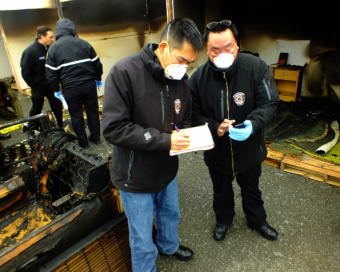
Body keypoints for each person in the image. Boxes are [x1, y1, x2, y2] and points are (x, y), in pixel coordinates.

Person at [102, 18, 202, 272]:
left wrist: (191, 134)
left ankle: (169, 246)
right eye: (181, 60)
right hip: (135, 175)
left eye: (190, 63)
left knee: (170, 215)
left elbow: (186, 117)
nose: (185, 68)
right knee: (142, 237)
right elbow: (114, 128)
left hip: (167, 169)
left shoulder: (180, 79)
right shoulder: (125, 72)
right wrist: (165, 140)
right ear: (164, 46)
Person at [189, 20, 280, 242]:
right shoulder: (198, 79)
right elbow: (191, 116)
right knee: (221, 190)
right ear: (207, 50)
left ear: (237, 45)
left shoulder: (256, 68)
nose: (222, 53)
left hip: (250, 149)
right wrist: (214, 127)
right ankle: (223, 220)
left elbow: (270, 104)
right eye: (215, 49)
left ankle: (257, 220)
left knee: (252, 188)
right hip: (217, 151)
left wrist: (254, 123)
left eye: (228, 47)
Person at [45, 18, 103, 148]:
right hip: (89, 85)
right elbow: (97, 64)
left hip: (70, 88)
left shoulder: (53, 49)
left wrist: (56, 90)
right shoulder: (84, 43)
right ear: (72, 30)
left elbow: (51, 74)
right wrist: (98, 78)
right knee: (92, 111)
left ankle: (83, 143)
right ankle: (96, 137)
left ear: (58, 31)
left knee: (76, 115)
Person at [20, 26, 63, 128]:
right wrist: (34, 85)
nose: (53, 39)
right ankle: (31, 127)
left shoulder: (51, 49)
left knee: (57, 106)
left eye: (53, 37)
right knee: (36, 108)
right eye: (50, 37)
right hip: (38, 86)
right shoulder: (30, 51)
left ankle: (60, 125)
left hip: (51, 85)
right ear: (41, 37)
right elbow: (25, 72)